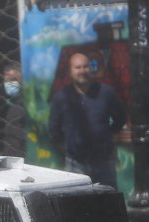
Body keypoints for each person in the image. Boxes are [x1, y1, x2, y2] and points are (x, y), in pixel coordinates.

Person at [49, 52, 126, 188]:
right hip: (75, 164)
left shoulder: (106, 92)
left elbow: (120, 118)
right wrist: (68, 147)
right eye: (77, 67)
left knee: (108, 203)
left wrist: (109, 136)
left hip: (104, 162)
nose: (82, 71)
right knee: (79, 204)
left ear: (90, 69)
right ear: (70, 71)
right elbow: (53, 129)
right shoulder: (62, 97)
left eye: (85, 67)